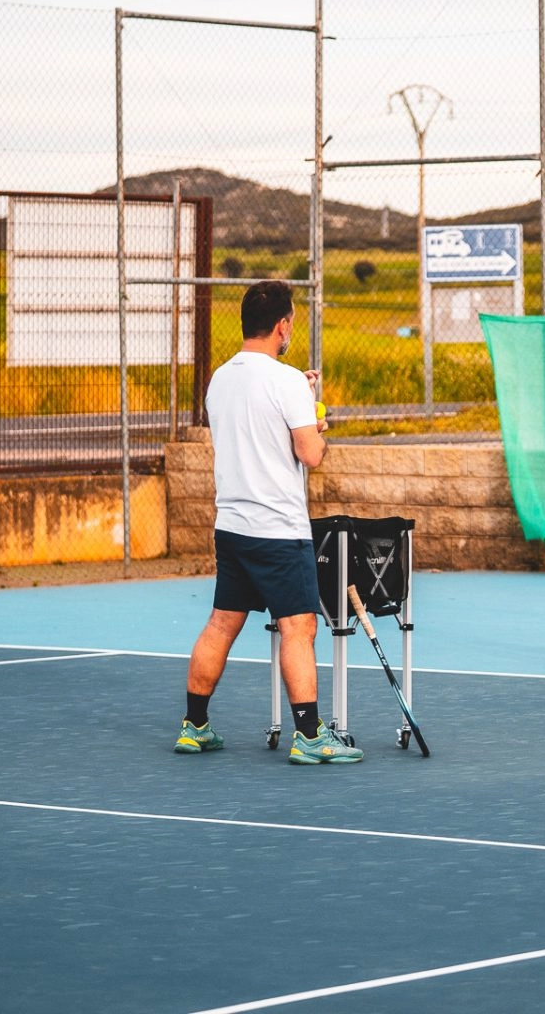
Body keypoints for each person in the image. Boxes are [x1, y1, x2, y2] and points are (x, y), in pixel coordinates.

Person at [173, 280, 362, 764]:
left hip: (232, 527)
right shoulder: (287, 384)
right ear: (283, 325)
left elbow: (254, 425)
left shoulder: (221, 379)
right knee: (299, 628)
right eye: (291, 321)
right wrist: (316, 421)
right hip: (279, 532)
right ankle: (310, 736)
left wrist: (300, 397)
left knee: (220, 624)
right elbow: (310, 455)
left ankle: (194, 727)